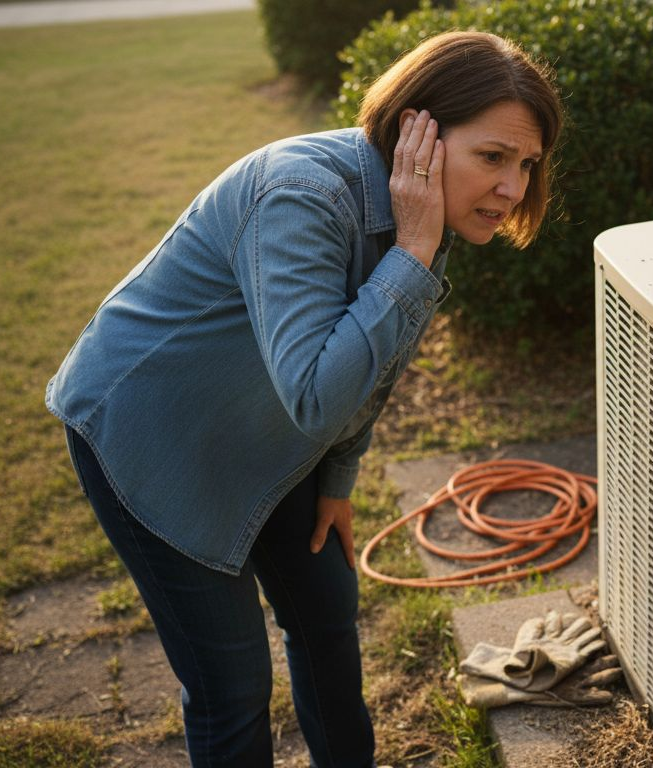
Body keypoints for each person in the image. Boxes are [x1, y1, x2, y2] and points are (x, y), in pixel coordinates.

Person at [46, 31, 563, 766]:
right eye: (494, 157)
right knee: (232, 688)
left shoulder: (418, 205)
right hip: (150, 432)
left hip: (273, 430)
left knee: (327, 615)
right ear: (418, 133)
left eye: (527, 165)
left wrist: (338, 481)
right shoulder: (303, 193)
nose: (513, 189)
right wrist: (411, 258)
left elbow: (373, 367)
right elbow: (320, 397)